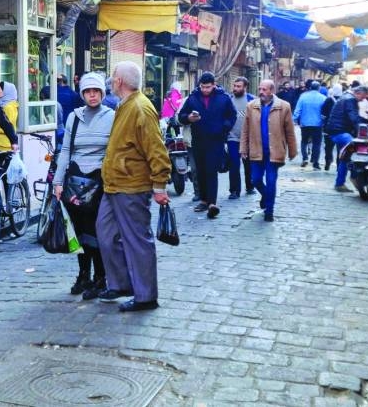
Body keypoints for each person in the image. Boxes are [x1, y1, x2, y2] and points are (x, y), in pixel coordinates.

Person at [95, 62, 170, 312]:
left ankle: (146, 295)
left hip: (132, 185)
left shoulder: (140, 108)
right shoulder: (124, 105)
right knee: (105, 234)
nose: (111, 81)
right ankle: (122, 283)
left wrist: (159, 185)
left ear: (119, 82)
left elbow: (157, 150)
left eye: (113, 77)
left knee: (137, 240)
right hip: (114, 184)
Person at [51, 72, 115, 301]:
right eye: (87, 91)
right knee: (78, 230)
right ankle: (83, 275)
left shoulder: (111, 116)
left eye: (95, 91)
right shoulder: (74, 117)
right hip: (75, 182)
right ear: (83, 94)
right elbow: (66, 151)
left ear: (102, 93)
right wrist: (58, 182)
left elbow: (114, 151)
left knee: (97, 231)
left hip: (99, 181)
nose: (92, 95)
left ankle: (101, 278)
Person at [178, 71, 236, 219]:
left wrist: (224, 128)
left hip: (216, 140)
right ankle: (203, 200)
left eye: (208, 87)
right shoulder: (193, 98)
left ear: (214, 85)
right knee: (200, 171)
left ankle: (212, 203)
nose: (205, 90)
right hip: (198, 140)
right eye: (203, 87)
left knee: (211, 170)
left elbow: (232, 115)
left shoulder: (223, 98)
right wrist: (189, 118)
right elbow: (181, 116)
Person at [240, 80, 298, 222]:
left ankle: (269, 211)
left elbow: (289, 131)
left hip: (275, 152)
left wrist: (292, 150)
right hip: (256, 150)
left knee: (271, 181)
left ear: (272, 91)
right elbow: (245, 129)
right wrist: (243, 148)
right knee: (256, 179)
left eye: (264, 89)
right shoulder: (251, 106)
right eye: (260, 89)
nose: (261, 92)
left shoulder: (284, 107)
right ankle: (266, 196)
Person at [325, 85, 368, 193]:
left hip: (336, 130)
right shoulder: (350, 99)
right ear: (358, 93)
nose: (363, 100)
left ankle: (339, 184)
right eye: (363, 97)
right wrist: (366, 130)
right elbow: (354, 118)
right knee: (354, 150)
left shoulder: (346, 97)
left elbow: (353, 116)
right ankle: (354, 176)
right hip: (340, 131)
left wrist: (367, 121)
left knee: (344, 157)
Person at [226, 77, 254, 199]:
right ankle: (234, 191)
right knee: (234, 164)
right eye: (235, 86)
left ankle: (250, 186)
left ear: (245, 87)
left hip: (248, 139)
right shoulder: (229, 100)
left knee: (248, 164)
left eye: (239, 86)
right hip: (232, 138)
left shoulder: (252, 100)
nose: (235, 88)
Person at [293, 81, 327, 170]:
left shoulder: (303, 97)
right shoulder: (323, 98)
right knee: (317, 143)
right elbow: (325, 112)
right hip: (318, 124)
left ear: (310, 87)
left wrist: (294, 120)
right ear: (319, 88)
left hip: (305, 123)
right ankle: (315, 162)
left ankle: (305, 158)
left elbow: (297, 110)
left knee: (304, 141)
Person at [321, 83, 342, 171]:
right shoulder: (344, 100)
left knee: (328, 147)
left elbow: (323, 114)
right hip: (341, 128)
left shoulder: (328, 100)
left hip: (329, 128)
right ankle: (338, 166)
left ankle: (327, 163)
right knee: (340, 148)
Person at [0, 81, 19, 151]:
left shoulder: (8, 107)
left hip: (5, 144)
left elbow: (6, 126)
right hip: (1, 143)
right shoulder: (3, 104)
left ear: (6, 91)